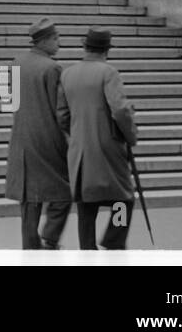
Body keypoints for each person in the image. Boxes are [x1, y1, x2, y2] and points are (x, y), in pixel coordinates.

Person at [57, 26, 139, 250]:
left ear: (86, 47)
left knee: (86, 206)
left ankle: (88, 250)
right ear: (106, 50)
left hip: (80, 149)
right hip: (107, 147)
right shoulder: (108, 72)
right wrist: (130, 135)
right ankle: (114, 241)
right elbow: (120, 111)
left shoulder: (68, 73)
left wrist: (78, 133)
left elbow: (62, 115)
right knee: (123, 199)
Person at [4, 17, 72, 249]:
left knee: (29, 197)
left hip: (22, 137)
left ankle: (30, 246)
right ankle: (50, 238)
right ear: (44, 41)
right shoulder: (52, 68)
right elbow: (61, 110)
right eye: (55, 38)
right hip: (47, 138)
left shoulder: (17, 62)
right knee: (63, 190)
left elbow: (11, 101)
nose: (58, 43)